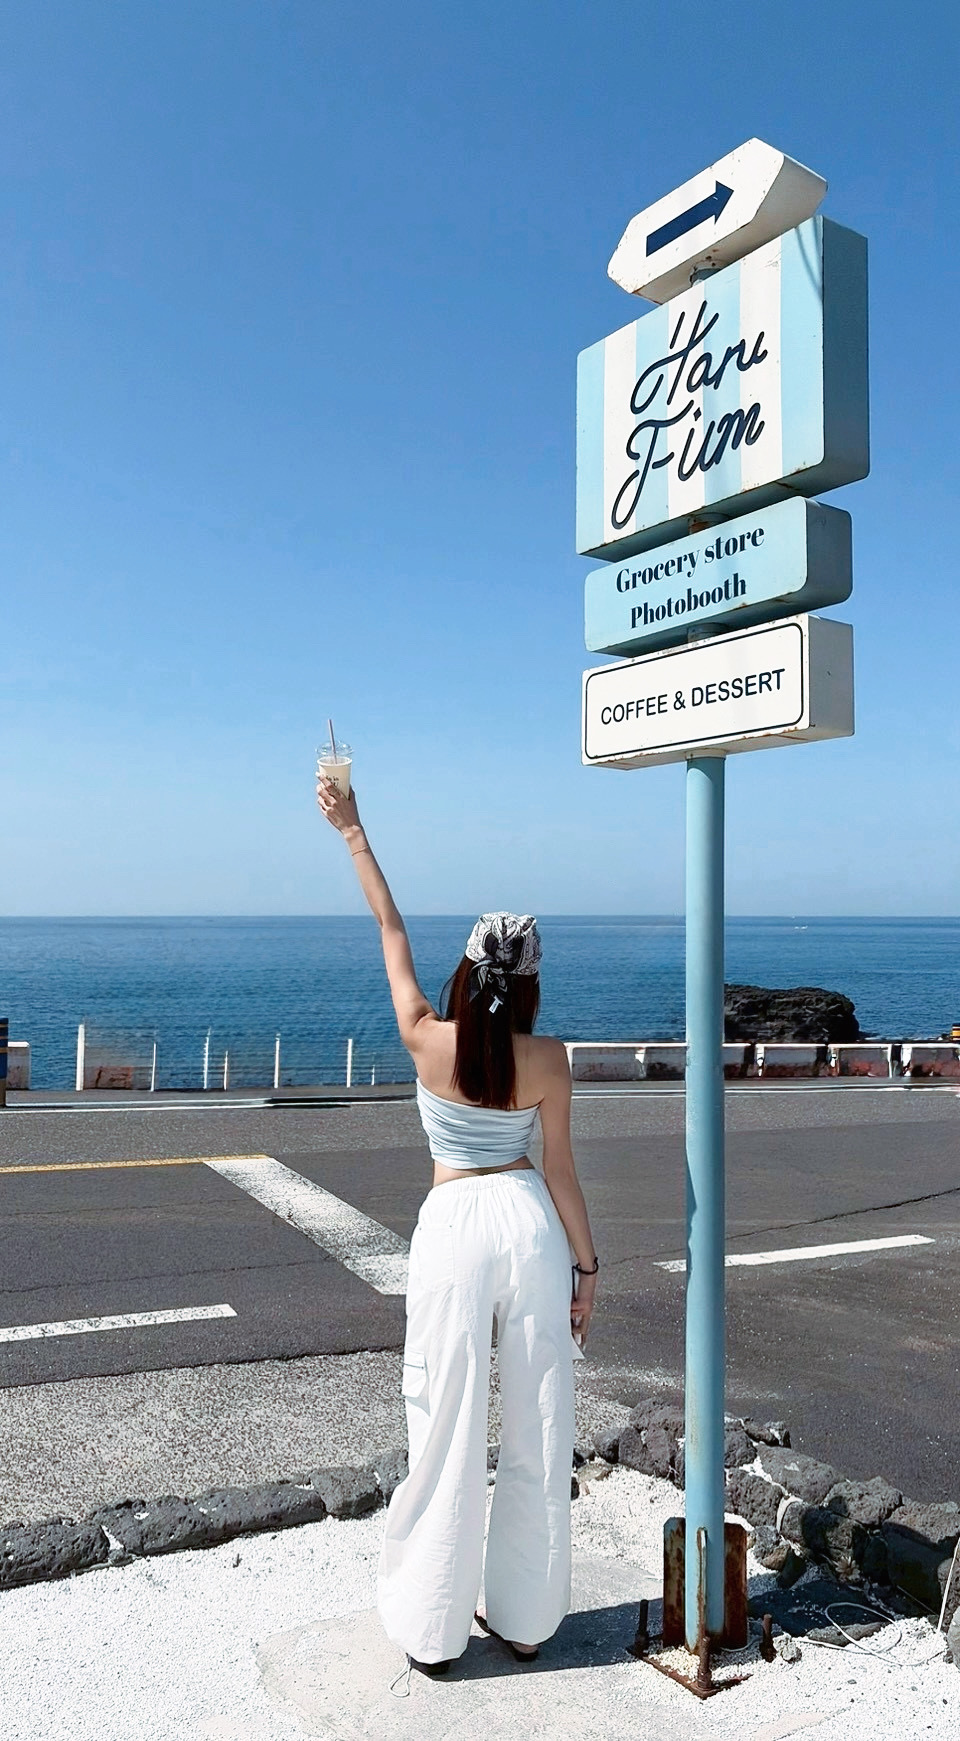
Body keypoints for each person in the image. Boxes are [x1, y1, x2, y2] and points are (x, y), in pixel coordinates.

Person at [317, 774, 599, 1679]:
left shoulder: (424, 1036)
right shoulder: (548, 1058)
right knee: (540, 1415)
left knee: (444, 1415)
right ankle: (526, 1618)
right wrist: (587, 1269)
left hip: (452, 1228)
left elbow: (390, 928)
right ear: (531, 983)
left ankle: (434, 1628)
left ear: (468, 973)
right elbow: (560, 1171)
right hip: (529, 1227)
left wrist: (353, 829)